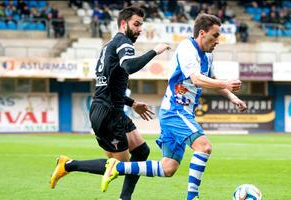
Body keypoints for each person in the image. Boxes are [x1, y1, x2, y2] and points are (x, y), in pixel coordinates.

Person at [100, 14, 247, 200]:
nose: (218, 40)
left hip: (180, 112)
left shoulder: (208, 55)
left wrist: (232, 96)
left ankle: (118, 167)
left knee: (168, 168)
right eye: (215, 35)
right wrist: (226, 84)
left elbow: (212, 79)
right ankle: (192, 197)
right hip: (175, 111)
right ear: (202, 33)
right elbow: (197, 79)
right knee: (204, 147)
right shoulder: (187, 48)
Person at [50, 6, 170, 200]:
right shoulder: (123, 42)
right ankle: (68, 165)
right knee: (121, 167)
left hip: (111, 109)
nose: (140, 29)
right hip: (108, 114)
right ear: (123, 24)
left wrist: (131, 103)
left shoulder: (110, 45)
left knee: (141, 151)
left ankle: (125, 198)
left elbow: (109, 86)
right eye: (136, 24)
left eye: (141, 25)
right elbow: (129, 66)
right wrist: (155, 51)